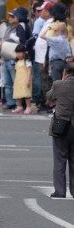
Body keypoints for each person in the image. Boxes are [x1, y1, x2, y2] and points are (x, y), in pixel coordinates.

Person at [45, 62, 74, 198]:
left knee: (60, 159)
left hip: (61, 126)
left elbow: (49, 98)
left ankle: (60, 191)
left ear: (66, 73)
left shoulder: (59, 85)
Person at [12, 44, 33, 114]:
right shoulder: (17, 62)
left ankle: (28, 107)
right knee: (18, 93)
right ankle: (19, 106)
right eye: (17, 53)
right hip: (18, 80)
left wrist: (28, 80)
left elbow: (29, 71)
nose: (18, 55)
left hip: (25, 79)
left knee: (26, 94)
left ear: (24, 53)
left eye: (20, 53)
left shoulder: (27, 61)